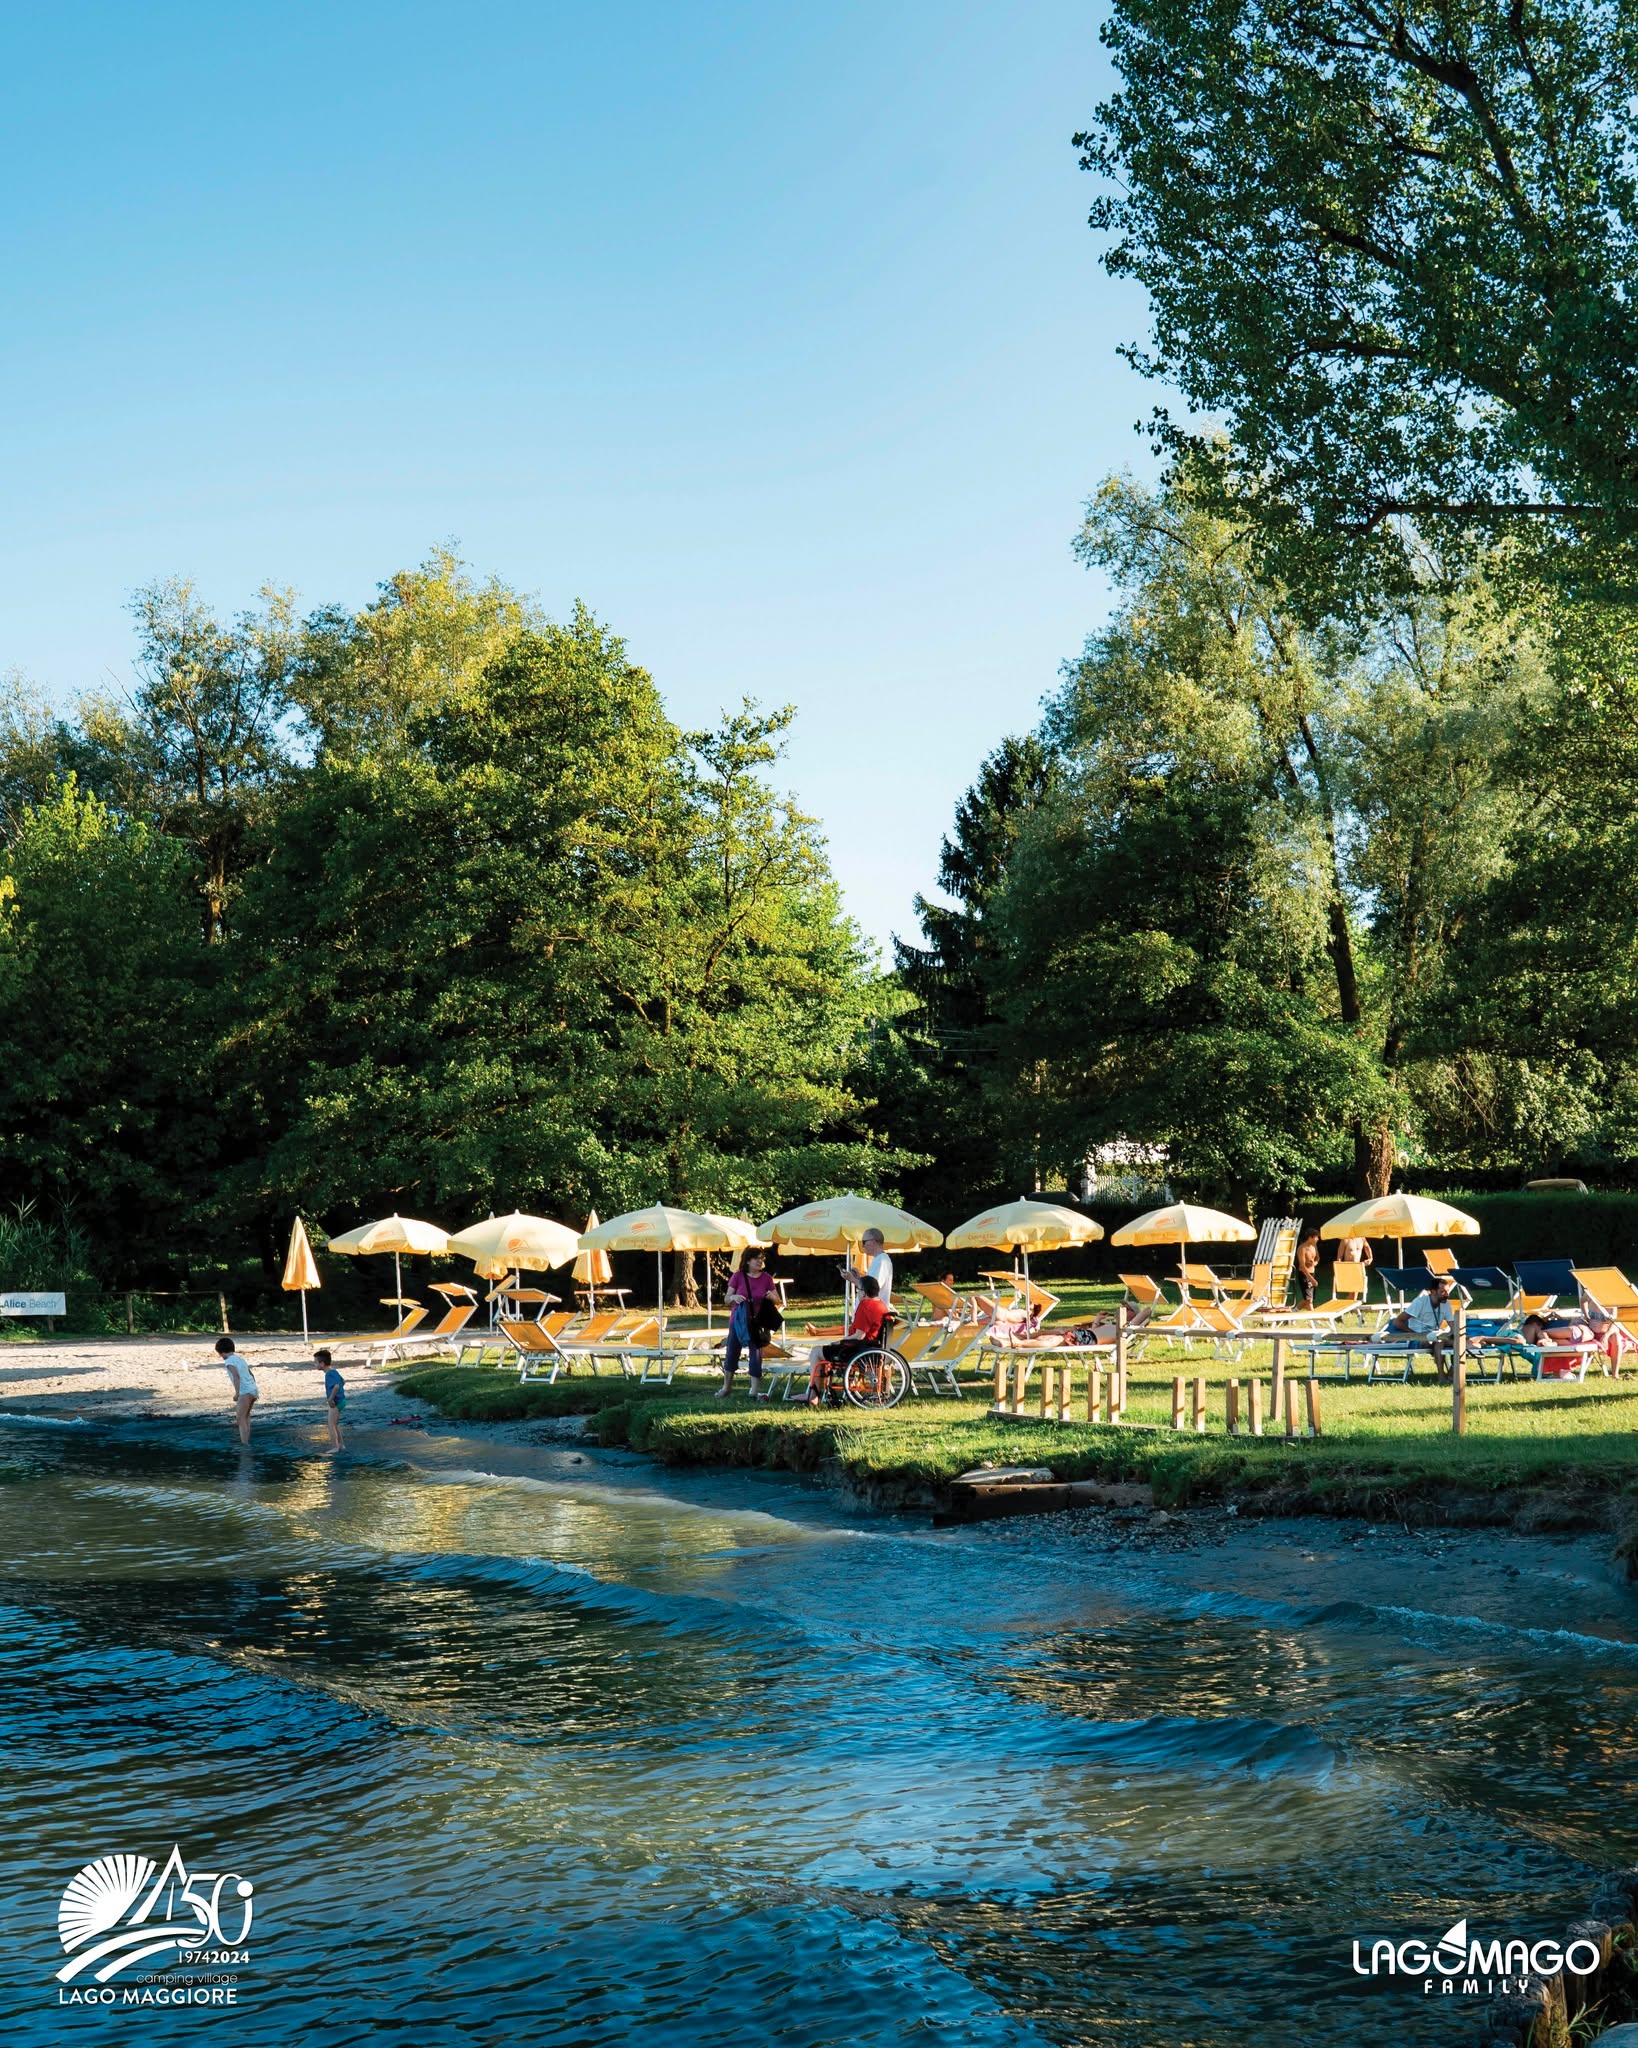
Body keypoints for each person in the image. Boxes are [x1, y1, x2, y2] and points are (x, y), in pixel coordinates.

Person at [807, 1273, 889, 1405]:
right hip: (873, 1348)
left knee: (816, 1352)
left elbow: (859, 1336)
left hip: (859, 1349)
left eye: (859, 1290)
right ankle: (817, 1393)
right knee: (824, 1350)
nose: (858, 1293)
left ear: (864, 1292)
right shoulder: (881, 1305)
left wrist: (840, 1341)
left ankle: (813, 1395)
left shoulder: (865, 1306)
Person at [718, 1247, 778, 1398]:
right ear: (748, 1260)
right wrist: (734, 1298)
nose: (760, 1261)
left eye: (762, 1258)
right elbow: (726, 1299)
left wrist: (771, 1296)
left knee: (756, 1354)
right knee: (732, 1351)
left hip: (757, 1322)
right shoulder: (738, 1276)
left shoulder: (766, 1278)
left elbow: (778, 1300)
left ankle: (754, 1390)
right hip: (738, 1321)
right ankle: (726, 1387)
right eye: (756, 1258)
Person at [1388, 1275, 1458, 1374]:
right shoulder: (1420, 1302)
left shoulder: (1445, 1304)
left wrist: (1459, 1336)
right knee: (1439, 1341)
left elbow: (1453, 1326)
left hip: (1434, 1336)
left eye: (1447, 1291)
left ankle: (1452, 1373)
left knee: (1459, 1343)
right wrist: (1414, 1334)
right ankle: (1441, 1376)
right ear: (1433, 1291)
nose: (1447, 1295)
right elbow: (1397, 1322)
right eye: (1443, 1292)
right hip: (1416, 1339)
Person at [208, 1335, 258, 1445]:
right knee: (246, 1417)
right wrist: (254, 1388)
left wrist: (237, 1393)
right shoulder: (240, 1359)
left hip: (244, 1391)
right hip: (253, 1389)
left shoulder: (229, 1362)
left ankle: (245, 1445)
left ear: (221, 1352)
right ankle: (247, 1441)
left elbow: (236, 1376)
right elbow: (251, 1374)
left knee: (240, 1419)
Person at [841, 1228, 892, 1311]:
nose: (863, 1246)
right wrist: (859, 1278)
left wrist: (852, 1279)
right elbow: (870, 1284)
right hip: (869, 1314)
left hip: (872, 1315)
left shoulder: (882, 1261)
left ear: (873, 1242)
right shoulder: (877, 1260)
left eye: (864, 1242)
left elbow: (872, 1290)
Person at [314, 1347, 346, 1451]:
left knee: (331, 1425)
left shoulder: (329, 1374)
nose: (315, 1364)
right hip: (342, 1401)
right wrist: (340, 1394)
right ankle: (341, 1445)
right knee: (335, 1424)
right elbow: (343, 1381)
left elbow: (336, 1386)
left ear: (322, 1364)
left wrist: (331, 1399)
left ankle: (335, 1447)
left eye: (316, 1362)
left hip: (335, 1403)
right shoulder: (334, 1371)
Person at [1294, 1228, 1321, 1309]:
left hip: (1312, 1273)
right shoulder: (1302, 1249)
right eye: (1316, 1237)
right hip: (1305, 1275)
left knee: (1310, 1300)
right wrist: (1311, 1279)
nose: (1318, 1239)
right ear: (1310, 1237)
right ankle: (1294, 1312)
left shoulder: (1314, 1246)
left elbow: (1317, 1258)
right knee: (1308, 1299)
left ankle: (1312, 1318)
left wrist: (1314, 1263)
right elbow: (1302, 1266)